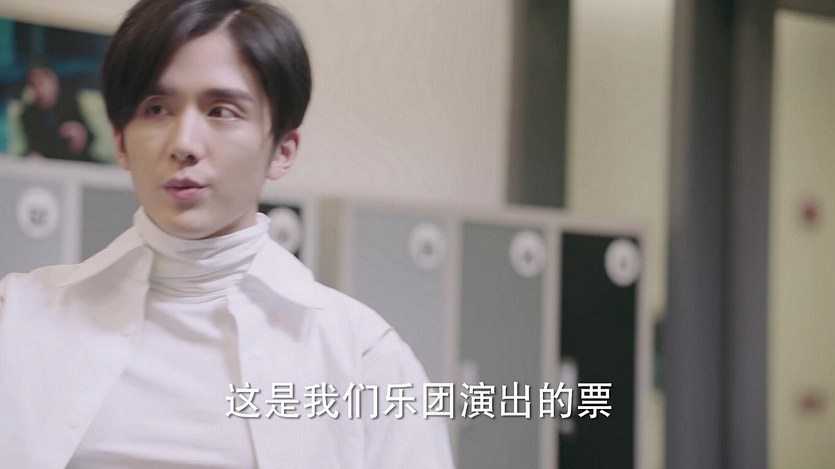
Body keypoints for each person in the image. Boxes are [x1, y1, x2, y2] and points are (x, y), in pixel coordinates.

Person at [0, 1, 454, 467]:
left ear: (282, 149)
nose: (183, 144)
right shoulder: (17, 319)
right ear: (120, 141)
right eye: (156, 109)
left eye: (221, 111)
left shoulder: (363, 357)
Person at [20, 62, 96, 162]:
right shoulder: (28, 113)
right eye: (33, 85)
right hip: (47, 164)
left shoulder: (69, 103)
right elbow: (34, 145)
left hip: (76, 161)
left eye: (41, 84)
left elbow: (91, 137)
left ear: (53, 81)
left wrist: (82, 134)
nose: (39, 90)